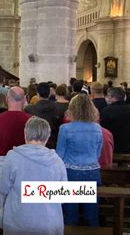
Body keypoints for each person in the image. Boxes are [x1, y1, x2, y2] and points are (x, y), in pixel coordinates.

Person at [0, 117, 67, 234]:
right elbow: (63, 196)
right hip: (48, 223)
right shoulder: (57, 161)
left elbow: (2, 188)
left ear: (25, 134)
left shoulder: (13, 157)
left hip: (18, 220)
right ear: (47, 137)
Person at [56, 94, 102, 226]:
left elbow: (60, 155)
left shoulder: (65, 129)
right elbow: (97, 153)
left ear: (72, 109)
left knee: (70, 214)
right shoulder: (97, 128)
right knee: (92, 214)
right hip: (92, 172)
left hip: (71, 172)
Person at [24, 82, 59, 148]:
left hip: (34, 144)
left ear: (37, 94)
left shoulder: (29, 109)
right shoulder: (57, 109)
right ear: (49, 94)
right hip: (51, 144)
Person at [101, 87, 130, 154]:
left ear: (112, 97)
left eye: (108, 96)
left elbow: (103, 129)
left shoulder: (107, 110)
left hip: (113, 147)